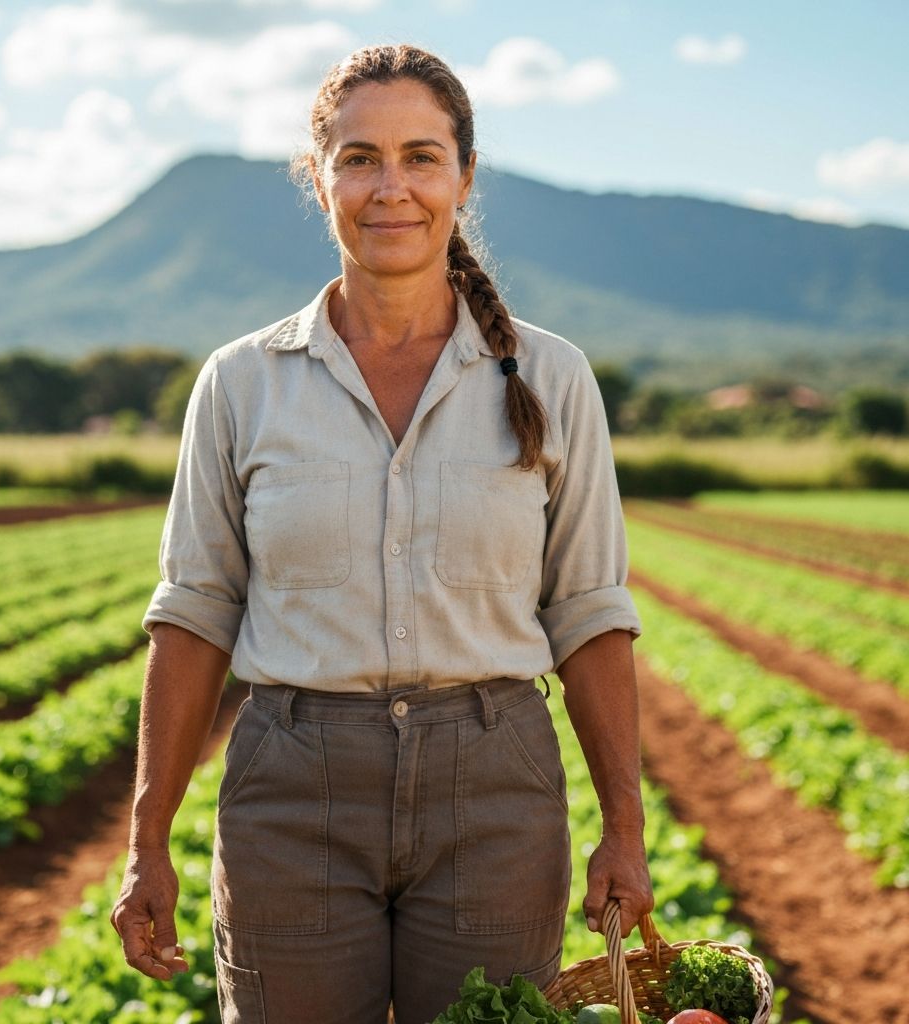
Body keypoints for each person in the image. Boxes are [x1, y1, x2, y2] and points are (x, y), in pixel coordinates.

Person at [111, 42, 653, 1024]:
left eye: (420, 156)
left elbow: (587, 611)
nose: (389, 186)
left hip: (495, 787)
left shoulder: (551, 375)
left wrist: (626, 825)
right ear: (317, 181)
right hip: (293, 788)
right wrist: (147, 837)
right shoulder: (242, 382)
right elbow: (194, 615)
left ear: (463, 176)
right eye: (358, 158)